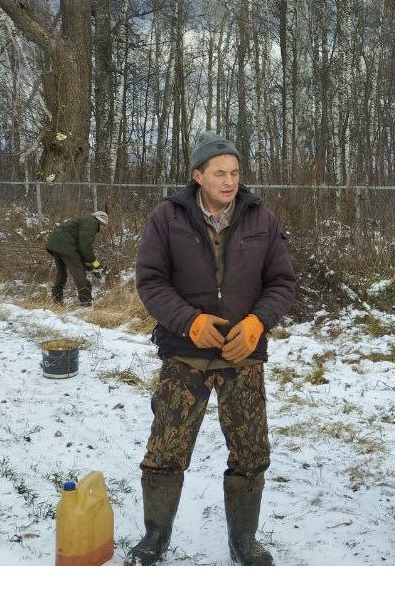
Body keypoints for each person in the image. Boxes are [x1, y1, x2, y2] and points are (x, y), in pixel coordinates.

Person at [127, 132, 295, 566]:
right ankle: (154, 537)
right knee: (166, 451)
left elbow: (281, 282)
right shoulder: (167, 218)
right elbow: (151, 282)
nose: (230, 181)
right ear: (197, 176)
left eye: (235, 172)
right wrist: (190, 321)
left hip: (243, 356)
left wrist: (259, 322)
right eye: (219, 173)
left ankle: (244, 540)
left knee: (251, 453)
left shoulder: (262, 219)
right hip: (185, 354)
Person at [45, 210, 108, 306]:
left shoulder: (83, 221)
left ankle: (56, 301)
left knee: (61, 273)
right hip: (65, 245)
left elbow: (80, 250)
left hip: (55, 244)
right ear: (101, 221)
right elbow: (85, 247)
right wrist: (95, 264)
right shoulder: (92, 223)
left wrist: (91, 267)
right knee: (79, 272)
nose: (102, 228)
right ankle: (85, 302)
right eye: (103, 225)